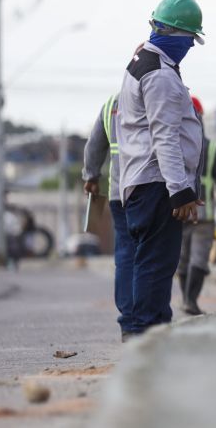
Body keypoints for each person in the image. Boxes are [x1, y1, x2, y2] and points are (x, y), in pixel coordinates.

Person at [117, 0, 205, 340]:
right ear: (177, 35)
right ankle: (148, 338)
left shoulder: (141, 61)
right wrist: (180, 190)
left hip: (141, 182)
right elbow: (165, 137)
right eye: (190, 40)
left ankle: (137, 332)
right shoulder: (160, 76)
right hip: (156, 184)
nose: (190, 47)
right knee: (156, 264)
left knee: (145, 263)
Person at [82, 92, 140, 340]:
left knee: (125, 255)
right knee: (149, 254)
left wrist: (91, 176)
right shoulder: (150, 93)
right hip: (146, 190)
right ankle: (148, 319)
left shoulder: (110, 106)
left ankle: (128, 322)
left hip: (118, 193)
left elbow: (94, 145)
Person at [177, 96, 216, 315]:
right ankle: (189, 300)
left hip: (179, 212)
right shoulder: (210, 148)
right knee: (197, 258)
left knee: (183, 259)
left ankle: (187, 299)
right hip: (203, 214)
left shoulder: (172, 143)